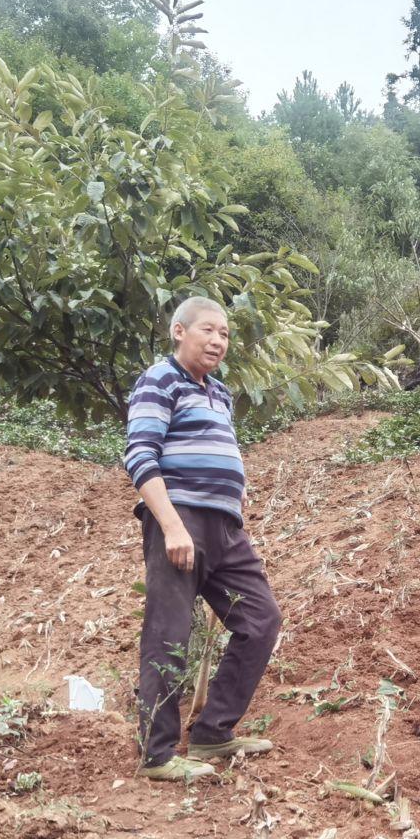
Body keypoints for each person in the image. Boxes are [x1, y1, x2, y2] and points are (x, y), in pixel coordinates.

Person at [122, 297, 282, 781]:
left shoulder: (220, 392)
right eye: (208, 331)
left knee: (260, 620)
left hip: (225, 527)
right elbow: (140, 456)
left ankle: (214, 732)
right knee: (169, 633)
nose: (218, 341)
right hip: (180, 519)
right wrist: (171, 524)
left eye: (226, 334)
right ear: (178, 331)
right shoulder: (159, 379)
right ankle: (157, 755)